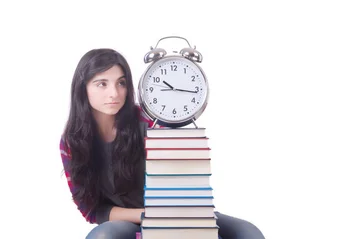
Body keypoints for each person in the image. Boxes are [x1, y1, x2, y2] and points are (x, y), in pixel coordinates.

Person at [59, 48, 265, 239]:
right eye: (102, 84)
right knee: (102, 236)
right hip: (128, 220)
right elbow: (92, 210)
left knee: (249, 233)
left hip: (178, 212)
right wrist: (146, 215)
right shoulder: (72, 142)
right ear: (82, 88)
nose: (114, 93)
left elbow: (182, 178)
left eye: (121, 83)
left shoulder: (147, 122)